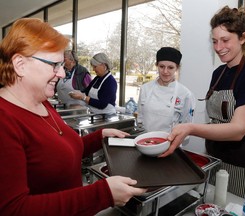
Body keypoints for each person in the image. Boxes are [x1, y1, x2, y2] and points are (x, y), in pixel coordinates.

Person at [0, 18, 146, 215]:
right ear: (20, 64)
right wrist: (102, 194)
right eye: (54, 65)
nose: (61, 73)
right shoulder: (5, 121)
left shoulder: (41, 102)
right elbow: (14, 209)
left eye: (62, 64)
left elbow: (64, 152)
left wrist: (99, 136)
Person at [163, 6, 245, 206]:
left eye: (225, 40)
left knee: (239, 206)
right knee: (215, 203)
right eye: (214, 41)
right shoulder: (219, 73)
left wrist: (191, 128)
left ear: (243, 38)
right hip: (217, 156)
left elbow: (239, 129)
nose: (218, 46)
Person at [137, 47, 195, 135]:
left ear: (177, 68)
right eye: (161, 66)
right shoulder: (145, 89)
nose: (165, 71)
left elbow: (187, 125)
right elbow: (140, 118)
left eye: (170, 68)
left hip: (170, 142)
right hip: (145, 141)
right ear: (157, 65)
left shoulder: (185, 94)